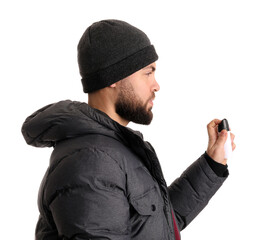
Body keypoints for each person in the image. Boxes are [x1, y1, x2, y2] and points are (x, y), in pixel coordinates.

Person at [22, 19, 236, 240]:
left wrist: (212, 164)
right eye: (147, 72)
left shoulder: (112, 150)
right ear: (114, 77)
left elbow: (157, 225)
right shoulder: (92, 162)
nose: (156, 85)